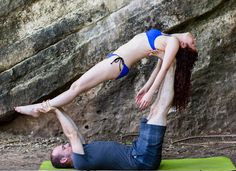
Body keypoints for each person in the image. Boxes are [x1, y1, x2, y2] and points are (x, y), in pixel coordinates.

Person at [15, 29, 198, 117]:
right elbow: (158, 66)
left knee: (76, 87)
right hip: (115, 60)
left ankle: (39, 108)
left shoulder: (173, 43)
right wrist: (146, 86)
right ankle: (41, 108)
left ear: (183, 46)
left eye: (193, 46)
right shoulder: (169, 38)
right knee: (76, 87)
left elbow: (165, 69)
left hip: (117, 64)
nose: (194, 41)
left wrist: (151, 93)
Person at [41, 61, 176, 170]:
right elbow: (72, 135)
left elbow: (74, 130)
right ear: (64, 159)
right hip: (142, 159)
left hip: (138, 152)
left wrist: (58, 108)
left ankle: (166, 63)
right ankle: (172, 64)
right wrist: (55, 111)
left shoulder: (82, 152)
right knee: (160, 109)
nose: (66, 144)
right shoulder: (79, 162)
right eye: (64, 148)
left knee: (154, 109)